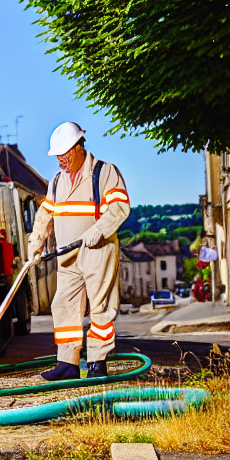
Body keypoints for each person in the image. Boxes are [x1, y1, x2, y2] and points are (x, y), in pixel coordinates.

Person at [27, 122, 131, 381]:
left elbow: (119, 207)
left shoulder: (104, 172)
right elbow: (46, 214)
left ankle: (97, 362)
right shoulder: (57, 181)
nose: (61, 160)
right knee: (64, 305)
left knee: (101, 307)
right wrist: (36, 243)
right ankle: (68, 364)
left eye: (65, 154)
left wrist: (99, 229)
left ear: (79, 147)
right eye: (58, 156)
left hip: (98, 249)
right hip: (67, 254)